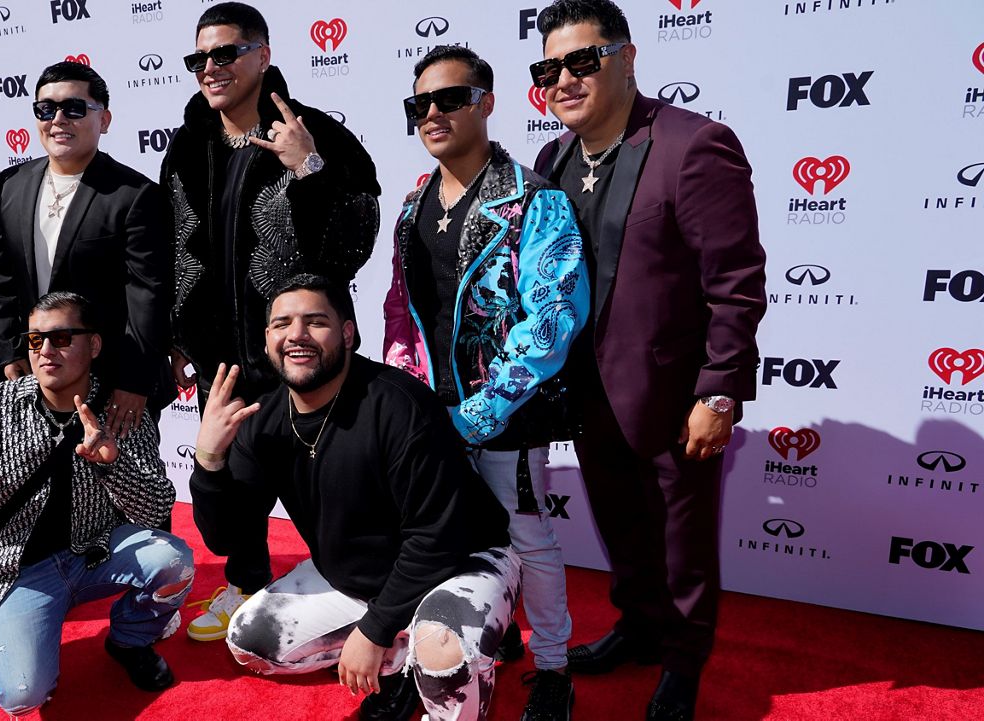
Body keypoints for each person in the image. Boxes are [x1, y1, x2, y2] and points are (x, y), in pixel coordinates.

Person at [530, 2, 767, 719]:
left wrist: (719, 392)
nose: (564, 79)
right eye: (549, 68)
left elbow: (735, 284)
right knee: (623, 528)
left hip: (672, 395)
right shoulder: (553, 160)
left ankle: (685, 661)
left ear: (627, 58)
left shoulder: (695, 146)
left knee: (682, 543)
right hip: (587, 394)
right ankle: (638, 628)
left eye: (582, 60)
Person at [191, 274, 519, 721]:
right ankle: (407, 655)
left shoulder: (398, 403)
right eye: (281, 323)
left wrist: (375, 630)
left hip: (462, 560)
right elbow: (229, 537)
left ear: (347, 332)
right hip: (359, 578)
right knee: (251, 642)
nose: (296, 335)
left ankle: (448, 649)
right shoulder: (261, 419)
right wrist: (209, 459)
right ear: (267, 339)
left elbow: (437, 538)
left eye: (314, 322)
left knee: (443, 658)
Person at [164, 0, 382, 643]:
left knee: (329, 478)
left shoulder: (313, 132)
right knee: (232, 480)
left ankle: (366, 587)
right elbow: (176, 245)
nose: (211, 67)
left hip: (301, 351)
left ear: (263, 56)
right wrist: (178, 337)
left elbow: (356, 238)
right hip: (221, 357)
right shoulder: (187, 144)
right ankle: (246, 581)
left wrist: (306, 168)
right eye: (199, 57)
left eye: (226, 52)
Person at [383, 45, 589, 721]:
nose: (434, 113)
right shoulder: (413, 202)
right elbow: (399, 311)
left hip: (510, 412)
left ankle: (554, 667)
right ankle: (424, 663)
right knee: (427, 535)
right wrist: (410, 400)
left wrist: (475, 413)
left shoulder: (536, 201)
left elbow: (552, 321)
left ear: (488, 103)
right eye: (421, 105)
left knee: (527, 536)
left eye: (451, 99)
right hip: (430, 411)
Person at [0, 291, 190, 716]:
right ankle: (35, 629)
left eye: (60, 338)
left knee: (174, 560)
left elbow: (155, 510)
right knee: (22, 694)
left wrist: (113, 464)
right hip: (17, 571)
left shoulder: (121, 412)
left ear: (93, 345)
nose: (46, 351)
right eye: (35, 341)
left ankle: (130, 639)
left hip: (94, 552)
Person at [0, 61, 172, 438]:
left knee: (116, 493)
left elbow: (148, 298)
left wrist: (134, 382)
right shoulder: (11, 185)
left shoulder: (135, 196)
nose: (57, 119)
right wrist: (11, 351)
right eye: (45, 109)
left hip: (112, 383)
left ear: (103, 120)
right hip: (35, 373)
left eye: (73, 108)